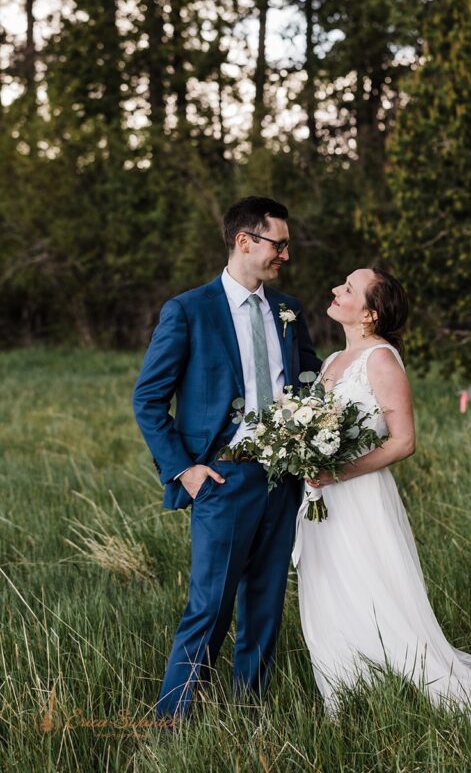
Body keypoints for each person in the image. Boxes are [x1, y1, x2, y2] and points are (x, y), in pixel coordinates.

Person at [293, 267, 471, 716]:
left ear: (370, 314)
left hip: (359, 496)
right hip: (322, 498)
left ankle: (411, 682)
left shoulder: (382, 360)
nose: (335, 289)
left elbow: (403, 441)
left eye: (348, 288)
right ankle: (346, 691)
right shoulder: (332, 360)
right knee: (328, 590)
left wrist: (340, 472)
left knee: (373, 591)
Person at [132, 196, 320, 723]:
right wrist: (185, 469)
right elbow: (148, 399)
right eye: (278, 243)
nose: (285, 253)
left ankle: (249, 714)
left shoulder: (288, 310)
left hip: (282, 479)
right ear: (245, 241)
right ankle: (174, 722)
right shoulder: (188, 310)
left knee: (264, 605)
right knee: (209, 608)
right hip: (221, 476)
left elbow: (307, 382)